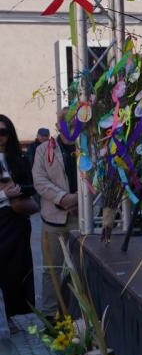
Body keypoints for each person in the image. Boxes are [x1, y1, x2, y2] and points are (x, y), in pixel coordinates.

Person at [32, 113, 79, 316]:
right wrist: (63, 198)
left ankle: (79, 315)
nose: (69, 124)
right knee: (52, 269)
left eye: (73, 121)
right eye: (65, 121)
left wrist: (78, 198)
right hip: (54, 218)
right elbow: (40, 181)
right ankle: (50, 315)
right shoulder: (44, 150)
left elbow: (97, 178)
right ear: (57, 126)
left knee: (80, 270)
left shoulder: (89, 146)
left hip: (82, 217)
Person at [0, 114, 37, 323]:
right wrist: (6, 194)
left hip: (16, 220)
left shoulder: (18, 159)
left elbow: (32, 187)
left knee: (16, 270)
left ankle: (11, 316)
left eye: (3, 132)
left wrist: (18, 190)